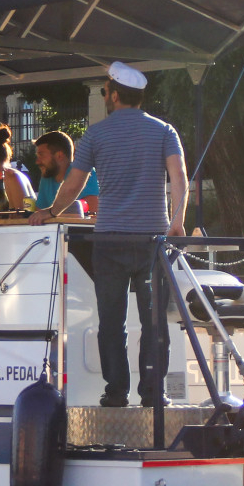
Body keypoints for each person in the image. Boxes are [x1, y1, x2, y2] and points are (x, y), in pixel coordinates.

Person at [31, 62, 187, 407]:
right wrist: (177, 221)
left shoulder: (95, 135)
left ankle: (116, 392)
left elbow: (74, 184)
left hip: (111, 238)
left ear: (114, 96)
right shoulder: (164, 131)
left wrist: (51, 212)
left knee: (112, 321)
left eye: (104, 92)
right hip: (154, 240)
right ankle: (154, 394)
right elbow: (179, 179)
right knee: (154, 320)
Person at [32, 130, 99, 217]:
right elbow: (39, 215)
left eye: (41, 155)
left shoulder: (84, 173)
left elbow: (93, 215)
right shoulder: (47, 177)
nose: (37, 161)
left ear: (59, 155)